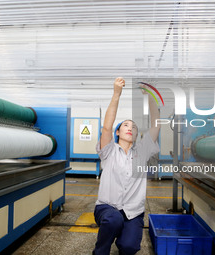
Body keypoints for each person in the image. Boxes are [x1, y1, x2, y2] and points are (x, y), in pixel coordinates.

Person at [93, 77, 160, 255]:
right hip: (107, 208)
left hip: (133, 212)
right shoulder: (109, 151)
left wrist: (151, 96)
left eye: (134, 127)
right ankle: (100, 252)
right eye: (126, 125)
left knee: (130, 247)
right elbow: (106, 127)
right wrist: (117, 94)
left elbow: (156, 125)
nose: (130, 128)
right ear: (118, 132)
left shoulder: (142, 151)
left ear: (137, 135)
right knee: (113, 220)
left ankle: (125, 242)